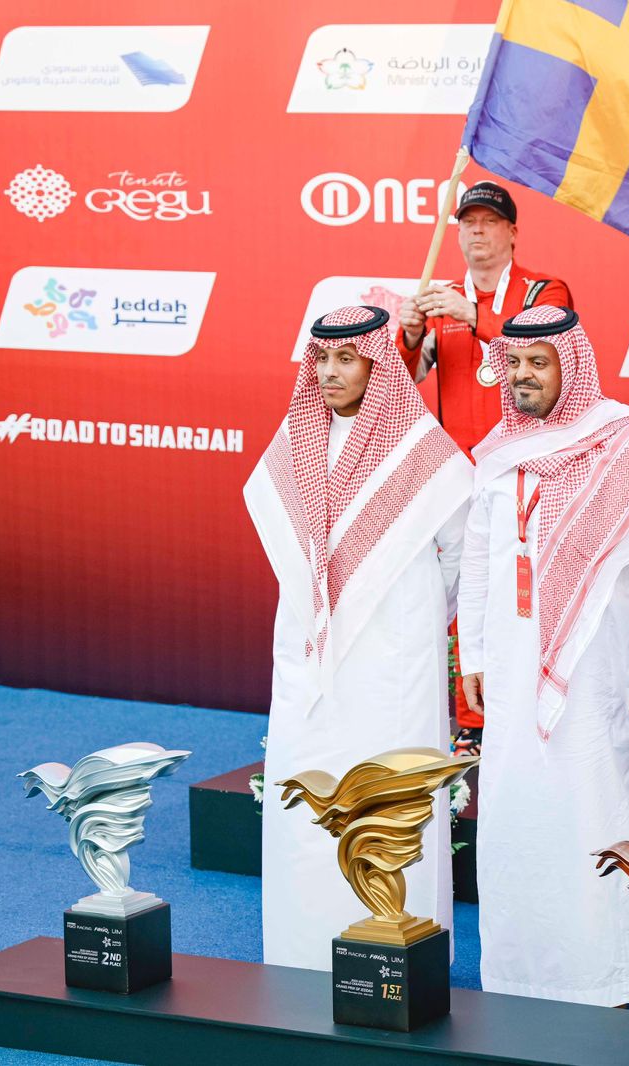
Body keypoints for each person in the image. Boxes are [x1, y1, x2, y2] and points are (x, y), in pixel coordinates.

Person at [457, 305, 629, 1007]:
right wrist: (474, 654)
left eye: (539, 362)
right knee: (520, 814)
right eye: (514, 363)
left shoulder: (625, 444)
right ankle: (526, 972)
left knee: (599, 811)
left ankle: (614, 971)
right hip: (513, 670)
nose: (523, 375)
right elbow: (479, 560)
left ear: (572, 366)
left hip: (603, 674)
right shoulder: (498, 453)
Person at [244, 305, 472, 971]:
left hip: (393, 663)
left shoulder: (422, 450)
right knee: (307, 797)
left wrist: (407, 617)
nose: (329, 372)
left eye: (346, 359)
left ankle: (397, 951)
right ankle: (301, 953)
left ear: (377, 366)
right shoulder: (295, 441)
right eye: (321, 359)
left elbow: (459, 555)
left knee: (389, 801)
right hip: (310, 660)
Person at [398, 180, 571, 752]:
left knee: (531, 592)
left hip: (531, 472)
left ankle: (538, 711)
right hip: (461, 478)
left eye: (489, 221)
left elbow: (548, 350)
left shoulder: (544, 290)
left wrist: (473, 314)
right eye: (467, 221)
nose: (476, 230)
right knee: (464, 599)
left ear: (512, 232)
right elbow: (403, 380)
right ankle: (472, 727)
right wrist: (409, 335)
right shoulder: (439, 299)